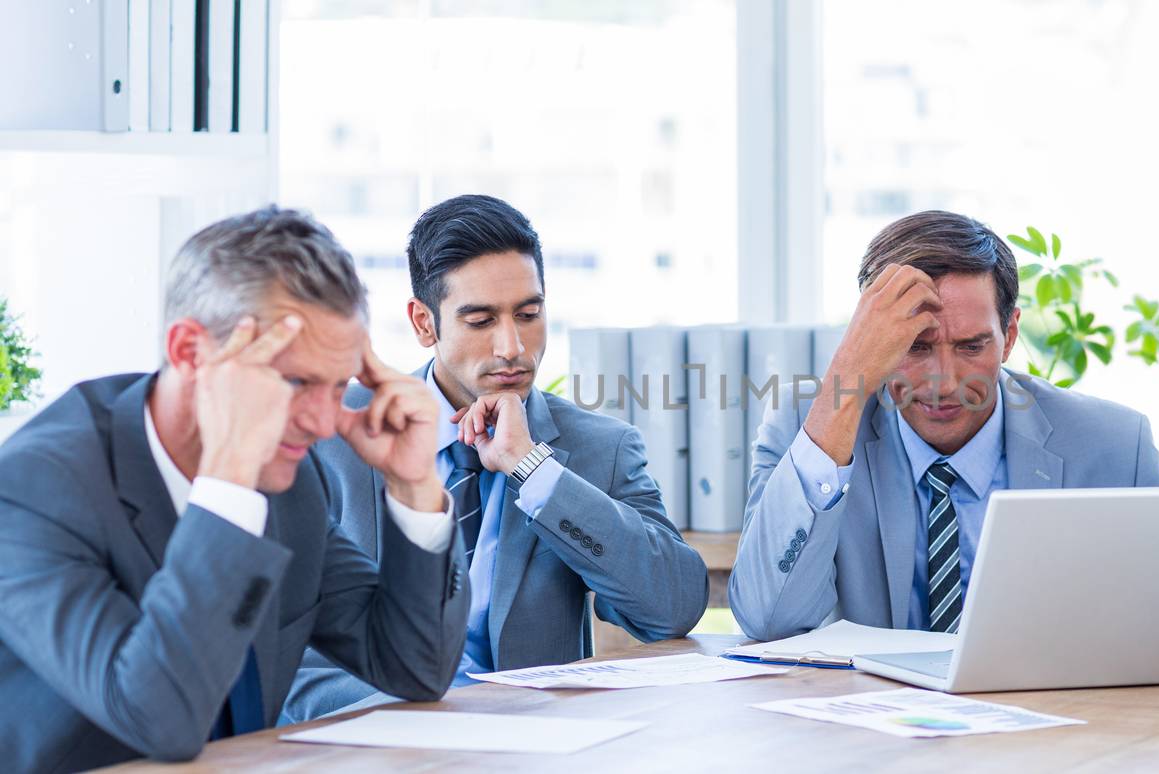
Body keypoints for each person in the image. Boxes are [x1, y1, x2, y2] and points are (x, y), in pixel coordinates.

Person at [0, 207, 470, 771]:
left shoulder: (291, 482)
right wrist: (228, 482)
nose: (324, 425)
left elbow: (413, 666)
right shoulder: (33, 488)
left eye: (337, 385)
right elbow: (163, 721)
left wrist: (413, 483)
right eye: (295, 381)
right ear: (189, 353)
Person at [283, 194, 707, 721]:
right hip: (379, 746)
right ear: (423, 323)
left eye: (529, 315)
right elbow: (286, 665)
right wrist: (427, 716)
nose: (512, 347)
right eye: (481, 321)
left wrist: (534, 469)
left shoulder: (601, 447)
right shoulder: (332, 433)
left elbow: (673, 608)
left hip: (534, 749)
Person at [730, 210, 1159, 641]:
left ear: (1010, 335)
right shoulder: (811, 427)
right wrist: (846, 385)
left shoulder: (1114, 446)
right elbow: (767, 619)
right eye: (915, 347)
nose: (944, 381)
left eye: (971, 346)